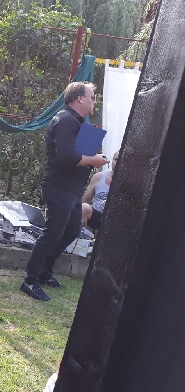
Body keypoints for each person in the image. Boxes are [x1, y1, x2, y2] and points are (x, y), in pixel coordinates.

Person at [21, 82, 109, 301]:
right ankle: (30, 281)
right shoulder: (66, 120)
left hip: (72, 189)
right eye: (92, 97)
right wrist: (94, 160)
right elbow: (66, 157)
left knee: (71, 231)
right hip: (59, 187)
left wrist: (90, 156)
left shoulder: (76, 122)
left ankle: (44, 272)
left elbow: (75, 154)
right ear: (80, 98)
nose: (94, 101)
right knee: (52, 233)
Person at [82, 150, 120, 231]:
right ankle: (79, 235)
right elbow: (85, 200)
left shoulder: (130, 182)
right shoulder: (99, 177)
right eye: (116, 159)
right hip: (97, 216)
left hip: (116, 220)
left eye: (121, 160)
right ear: (112, 160)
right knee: (84, 207)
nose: (117, 163)